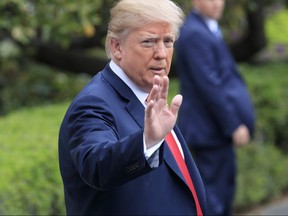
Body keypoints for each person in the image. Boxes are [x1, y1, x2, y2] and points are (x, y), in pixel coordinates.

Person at [58, 0, 206, 215]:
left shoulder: (151, 94)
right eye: (148, 42)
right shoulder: (92, 103)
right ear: (117, 47)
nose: (161, 53)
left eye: (168, 41)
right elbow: (98, 166)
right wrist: (147, 141)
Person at [175, 0, 255, 215]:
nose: (217, 3)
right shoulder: (194, 34)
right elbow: (209, 86)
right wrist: (233, 125)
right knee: (214, 200)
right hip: (208, 131)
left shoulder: (207, 27)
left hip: (214, 130)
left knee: (222, 194)